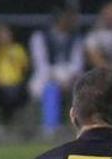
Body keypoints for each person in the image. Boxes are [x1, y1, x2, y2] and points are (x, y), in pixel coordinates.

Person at [29, 8, 85, 136]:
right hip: (45, 75)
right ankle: (50, 127)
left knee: (82, 87)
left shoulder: (76, 39)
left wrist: (67, 78)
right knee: (49, 88)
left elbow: (77, 64)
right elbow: (40, 63)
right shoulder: (40, 37)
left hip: (69, 75)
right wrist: (57, 78)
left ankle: (80, 127)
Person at [0, 24, 30, 125]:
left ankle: (16, 121)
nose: (4, 37)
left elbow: (24, 68)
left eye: (6, 34)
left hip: (16, 84)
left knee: (15, 92)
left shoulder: (18, 49)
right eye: (1, 35)